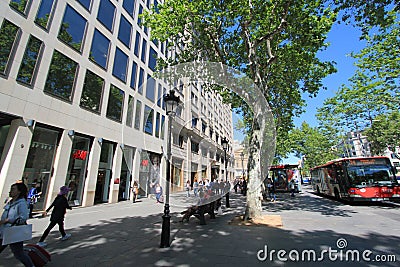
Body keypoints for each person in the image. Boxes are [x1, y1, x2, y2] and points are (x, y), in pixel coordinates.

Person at [0, 183, 34, 267]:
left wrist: (7, 220)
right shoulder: (10, 202)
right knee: (19, 253)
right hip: (4, 231)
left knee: (19, 254)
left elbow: (24, 217)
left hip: (13, 232)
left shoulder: (21, 203)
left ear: (19, 191)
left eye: (13, 189)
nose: (10, 191)